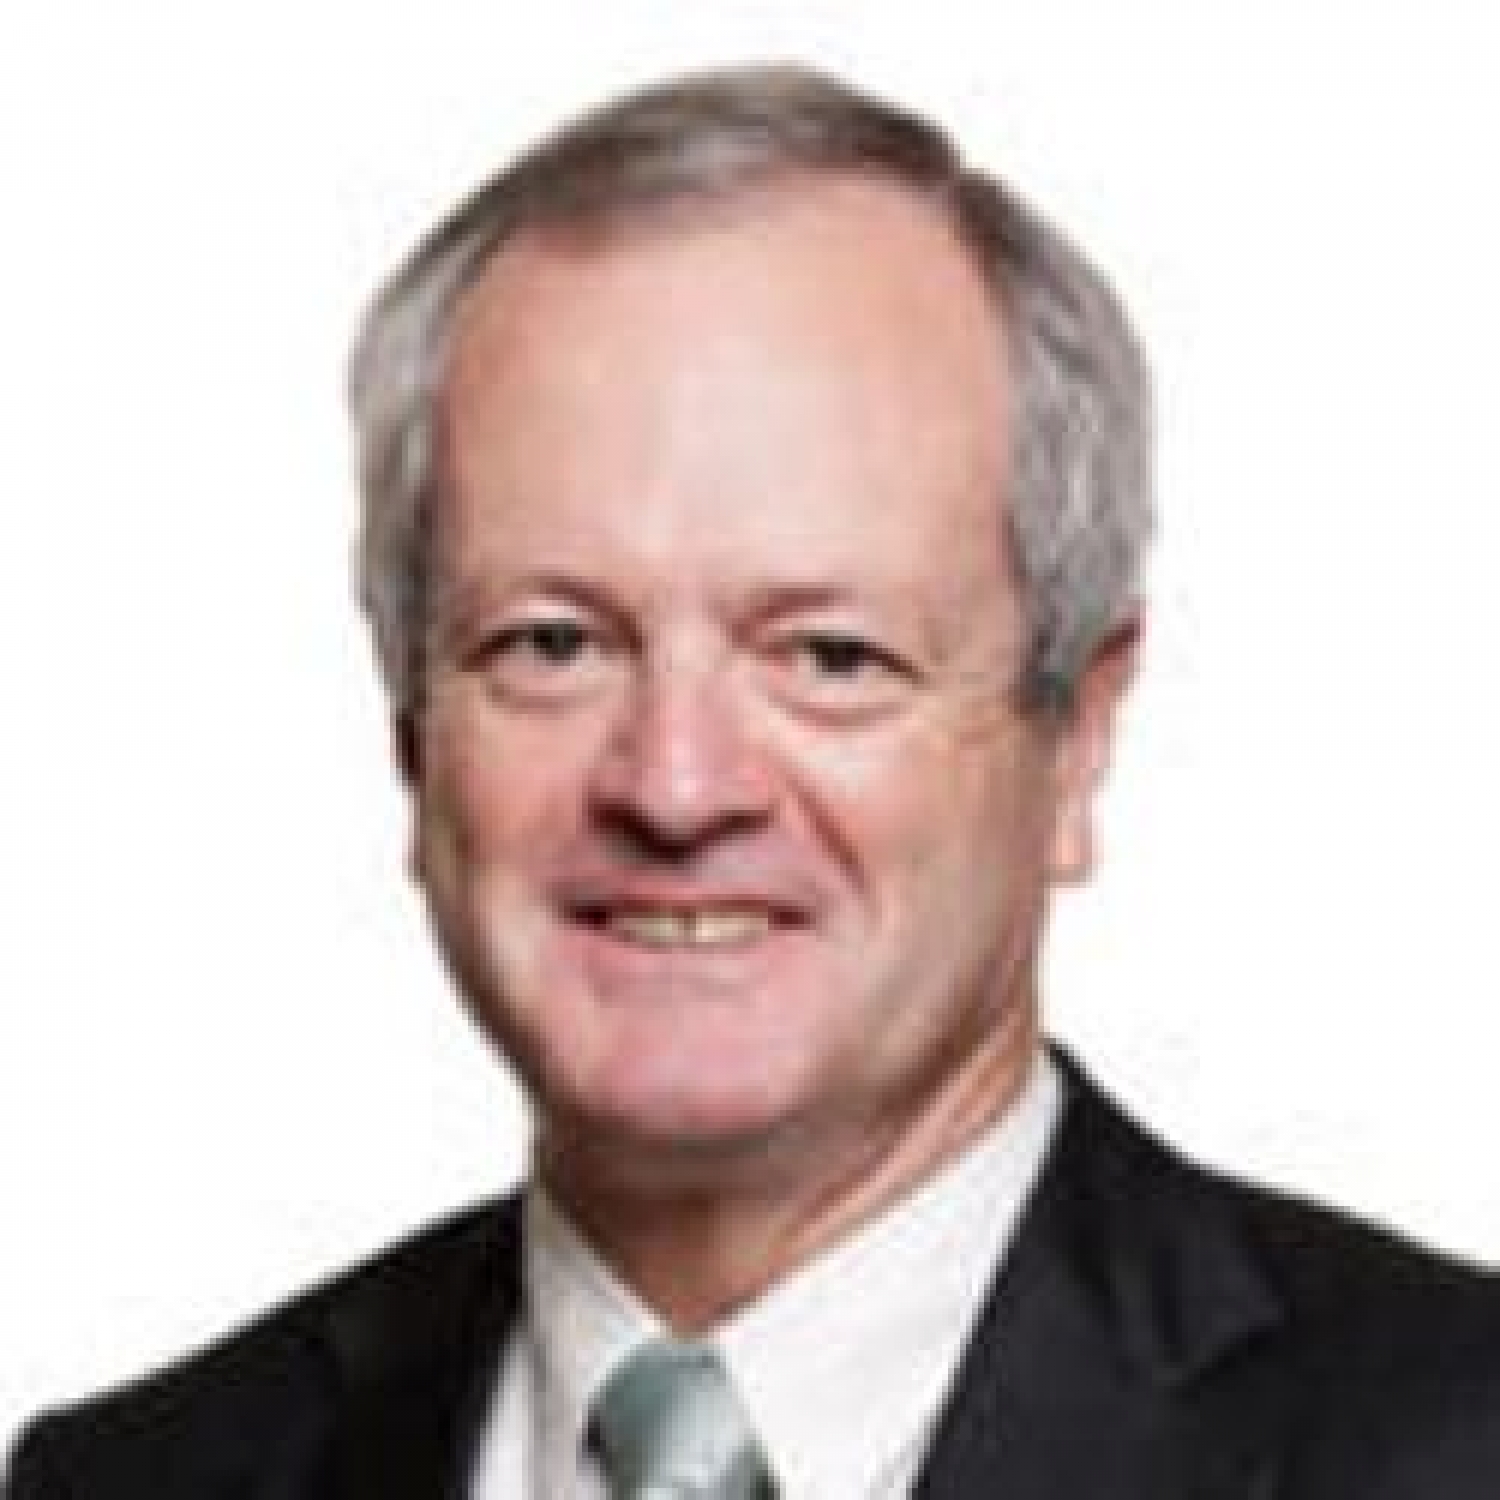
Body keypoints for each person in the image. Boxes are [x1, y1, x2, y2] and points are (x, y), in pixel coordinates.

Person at [8, 62, 1499, 1499]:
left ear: (1079, 734)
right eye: (553, 644)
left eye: (831, 657)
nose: (676, 786)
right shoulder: (136, 1481)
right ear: (411, 728)